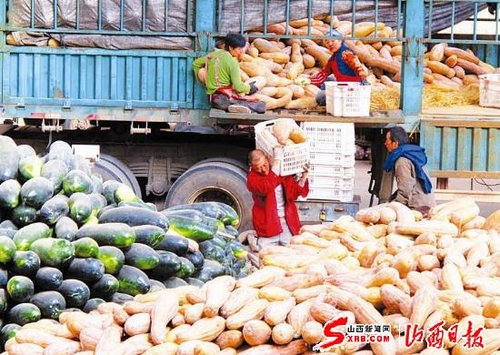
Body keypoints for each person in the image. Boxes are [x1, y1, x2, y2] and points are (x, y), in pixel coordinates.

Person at [246, 149, 309, 249]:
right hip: (268, 225)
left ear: (267, 159)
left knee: (290, 254)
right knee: (265, 257)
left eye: (264, 165)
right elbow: (266, 186)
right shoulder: (252, 179)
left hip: (287, 223)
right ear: (251, 167)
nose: (262, 169)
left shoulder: (281, 173)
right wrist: (277, 161)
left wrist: (303, 177)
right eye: (258, 168)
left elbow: (293, 194)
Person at [192, 33, 266, 114]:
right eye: (239, 49)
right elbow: (239, 87)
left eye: (242, 48)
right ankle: (235, 106)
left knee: (227, 103)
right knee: (261, 106)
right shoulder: (232, 62)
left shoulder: (213, 55)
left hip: (213, 99)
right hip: (225, 98)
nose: (241, 51)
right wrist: (250, 88)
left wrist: (203, 80)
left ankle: (233, 106)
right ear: (230, 48)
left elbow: (195, 64)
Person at [296, 30, 369, 106]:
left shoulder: (347, 54)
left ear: (340, 40)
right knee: (327, 81)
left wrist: (356, 86)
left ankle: (342, 101)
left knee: (320, 97)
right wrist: (307, 81)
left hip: (351, 90)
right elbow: (323, 74)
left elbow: (363, 73)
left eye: (333, 41)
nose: (330, 44)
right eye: (327, 42)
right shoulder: (333, 58)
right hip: (342, 86)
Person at [383, 126, 436, 215]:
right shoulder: (413, 154)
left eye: (387, 140)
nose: (385, 143)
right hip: (427, 202)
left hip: (419, 207)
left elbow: (405, 188)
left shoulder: (402, 161)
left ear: (395, 143)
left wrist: (394, 206)